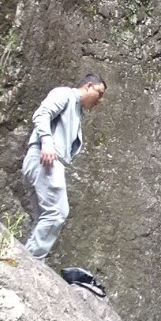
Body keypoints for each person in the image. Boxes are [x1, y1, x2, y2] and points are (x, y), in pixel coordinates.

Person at [21, 75, 106, 261]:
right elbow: (42, 114)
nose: (100, 100)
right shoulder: (65, 94)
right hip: (46, 160)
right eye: (99, 94)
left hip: (41, 161)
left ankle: (27, 261)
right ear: (88, 86)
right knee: (57, 212)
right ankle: (31, 261)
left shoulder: (76, 111)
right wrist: (47, 142)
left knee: (44, 217)